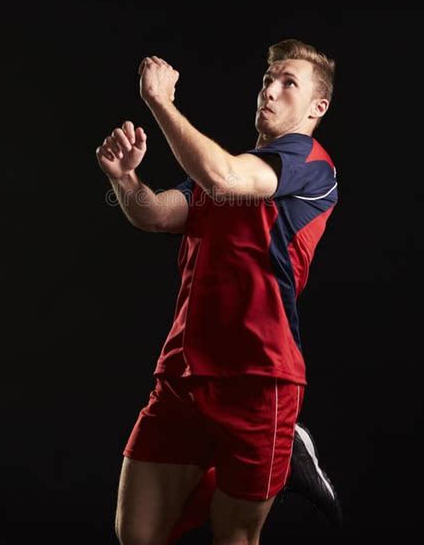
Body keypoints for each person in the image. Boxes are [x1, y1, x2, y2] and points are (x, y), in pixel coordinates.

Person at [96, 39, 340, 544]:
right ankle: (270, 459)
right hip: (184, 371)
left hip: (258, 376)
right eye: (267, 79)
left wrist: (161, 102)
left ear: (318, 107)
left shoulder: (308, 162)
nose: (269, 91)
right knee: (137, 535)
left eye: (287, 83)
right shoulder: (226, 167)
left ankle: (277, 449)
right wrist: (125, 179)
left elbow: (224, 176)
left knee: (233, 537)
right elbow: (156, 213)